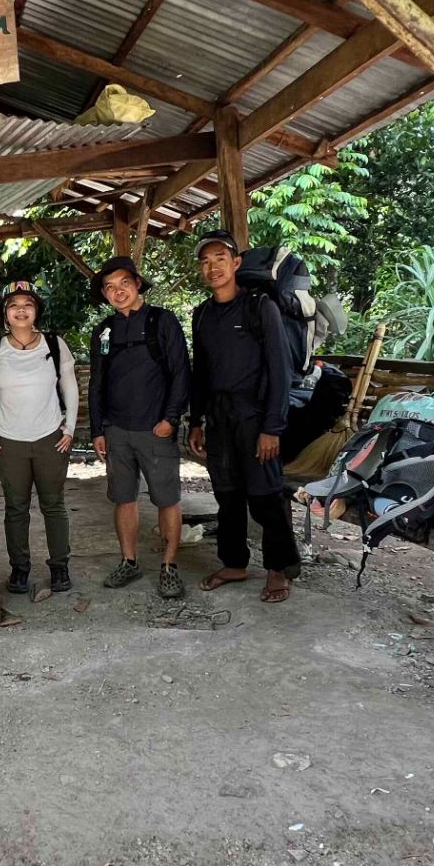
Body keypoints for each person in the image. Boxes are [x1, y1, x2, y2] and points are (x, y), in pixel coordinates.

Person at [187, 230, 302, 603]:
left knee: (265, 496)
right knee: (227, 495)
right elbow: (200, 373)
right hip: (219, 419)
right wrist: (196, 421)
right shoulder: (202, 314)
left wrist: (272, 427)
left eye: (220, 259)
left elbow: (280, 370)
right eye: (205, 262)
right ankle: (235, 563)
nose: (212, 267)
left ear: (236, 263)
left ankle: (278, 568)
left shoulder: (259, 307)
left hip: (255, 416)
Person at [87, 256, 190, 599]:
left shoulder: (162, 321)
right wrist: (98, 430)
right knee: (123, 498)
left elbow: (181, 372)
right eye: (110, 287)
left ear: (137, 284)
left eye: (124, 283)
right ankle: (128, 561)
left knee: (167, 499)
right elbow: (97, 383)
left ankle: (169, 567)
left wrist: (170, 420)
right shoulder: (104, 330)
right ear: (105, 294)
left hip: (155, 429)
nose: (118, 292)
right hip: (117, 431)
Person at [0, 281, 78, 596]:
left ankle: (60, 566)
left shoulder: (54, 344)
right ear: (4, 313)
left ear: (36, 310)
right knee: (15, 508)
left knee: (53, 504)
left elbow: (69, 386)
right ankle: (20, 568)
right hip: (8, 441)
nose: (21, 310)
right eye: (13, 305)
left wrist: (70, 428)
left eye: (28, 304)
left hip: (51, 438)